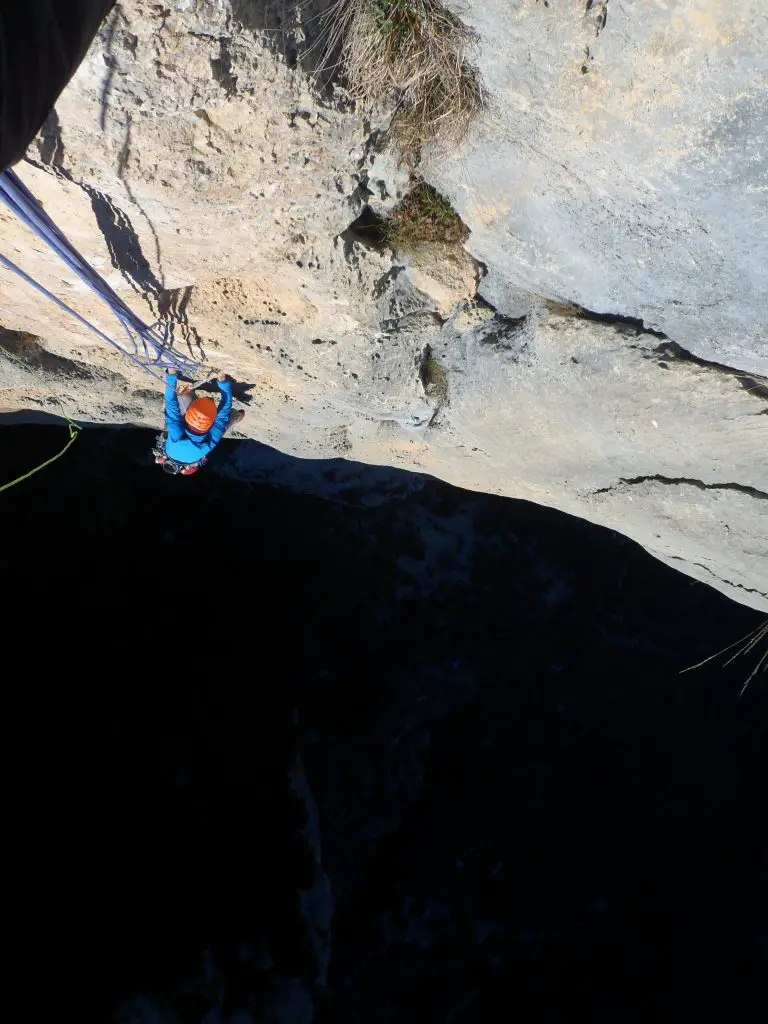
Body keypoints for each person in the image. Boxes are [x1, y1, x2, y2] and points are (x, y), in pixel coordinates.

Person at [155, 369, 244, 475]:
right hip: (194, 410)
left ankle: (238, 416)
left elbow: (222, 415)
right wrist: (171, 373)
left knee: (228, 419)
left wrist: (223, 381)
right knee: (184, 396)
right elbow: (170, 404)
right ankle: (237, 415)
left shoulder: (205, 447)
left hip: (207, 419)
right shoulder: (173, 439)